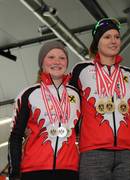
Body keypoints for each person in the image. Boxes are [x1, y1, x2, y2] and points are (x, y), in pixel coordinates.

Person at [69, 18, 130, 180]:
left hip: (129, 152)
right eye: (107, 37)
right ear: (97, 42)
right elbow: (68, 105)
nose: (113, 41)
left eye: (116, 37)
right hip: (93, 150)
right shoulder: (81, 70)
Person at [8, 40, 80, 180]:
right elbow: (15, 136)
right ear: (42, 63)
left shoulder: (76, 95)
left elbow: (81, 130)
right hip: (34, 170)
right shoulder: (28, 94)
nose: (57, 61)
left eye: (62, 57)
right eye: (51, 57)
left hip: (69, 170)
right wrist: (15, 172)